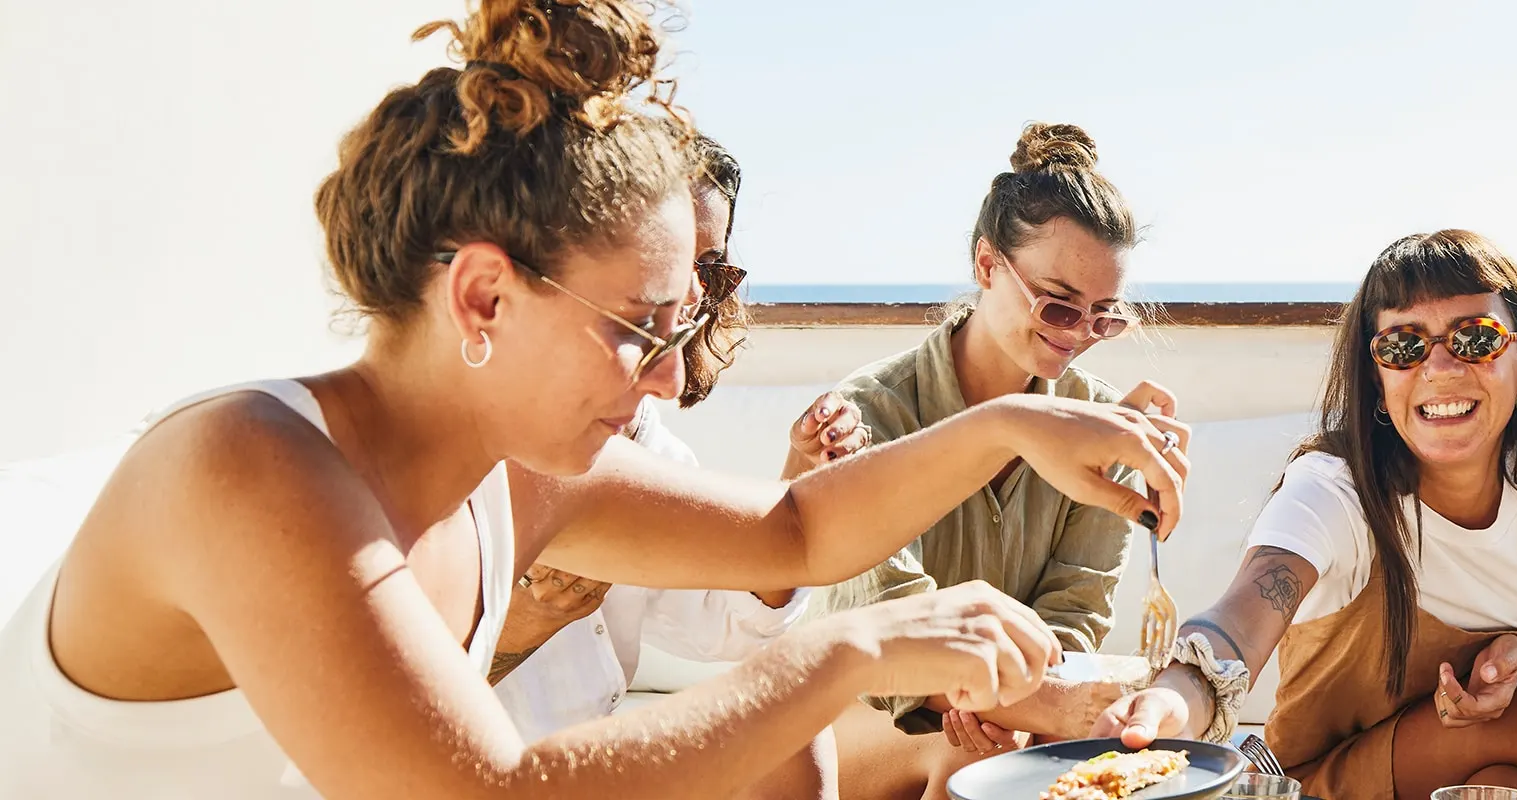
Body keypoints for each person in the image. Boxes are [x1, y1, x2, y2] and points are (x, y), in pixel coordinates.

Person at [0, 3, 1189, 798]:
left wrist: (1019, 426)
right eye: (641, 329)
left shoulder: (512, 470)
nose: (672, 374)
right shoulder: (246, 467)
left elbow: (796, 529)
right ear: (482, 297)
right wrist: (852, 644)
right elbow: (493, 790)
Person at [1096, 230, 1517, 800]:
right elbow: (1242, 620)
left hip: (1506, 759)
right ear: (1378, 379)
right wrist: (1174, 696)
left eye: (1476, 338)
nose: (1438, 367)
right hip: (1336, 780)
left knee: (1504, 786)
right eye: (1403, 347)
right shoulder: (1337, 491)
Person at [793, 121, 1176, 800]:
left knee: (1030, 761)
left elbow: (1076, 612)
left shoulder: (1104, 422)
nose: (1080, 338)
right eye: (1059, 307)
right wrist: (1036, 707)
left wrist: (1018, 713)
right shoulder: (869, 414)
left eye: (1104, 318)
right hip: (846, 717)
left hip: (1015, 709)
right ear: (987, 265)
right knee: (971, 762)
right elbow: (886, 622)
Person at [487, 134, 856, 799]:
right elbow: (369, 727)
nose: (690, 298)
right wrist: (520, 629)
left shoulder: (648, 445)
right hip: (478, 774)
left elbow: (725, 623)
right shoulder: (459, 451)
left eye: (709, 269)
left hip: (584, 769)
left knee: (789, 716)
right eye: (670, 264)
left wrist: (801, 469)